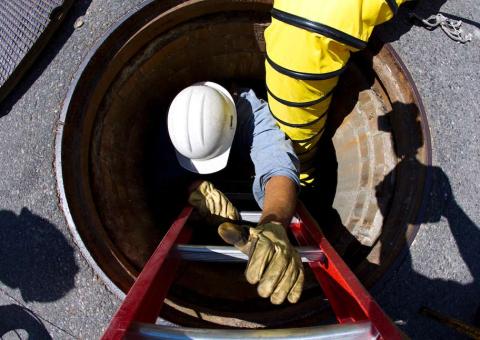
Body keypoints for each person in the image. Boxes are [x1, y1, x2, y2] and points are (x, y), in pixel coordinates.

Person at [167, 81, 304, 305]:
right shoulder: (177, 121)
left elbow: (277, 164)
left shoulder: (250, 113)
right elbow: (160, 171)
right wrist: (192, 187)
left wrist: (274, 224)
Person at [264, 0, 410, 187]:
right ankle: (303, 177)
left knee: (296, 134)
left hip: (309, 30)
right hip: (317, 28)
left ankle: (304, 178)